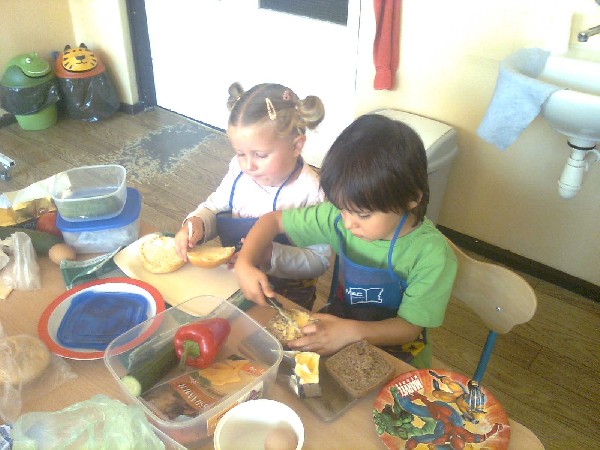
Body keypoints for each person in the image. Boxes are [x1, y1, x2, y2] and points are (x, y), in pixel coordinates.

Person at [234, 114, 457, 368]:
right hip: (340, 325)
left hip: (398, 353)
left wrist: (351, 332)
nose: (348, 223)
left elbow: (409, 328)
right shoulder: (338, 218)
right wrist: (245, 263)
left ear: (411, 199)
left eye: (363, 215)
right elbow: (272, 221)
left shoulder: (432, 255)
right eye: (342, 209)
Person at [175, 82, 331, 309]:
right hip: (234, 281)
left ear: (296, 146)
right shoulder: (239, 172)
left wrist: (268, 254)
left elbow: (319, 260)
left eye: (260, 155)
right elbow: (214, 208)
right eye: (240, 153)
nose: (249, 165)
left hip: (287, 294)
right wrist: (197, 223)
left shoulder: (311, 192)